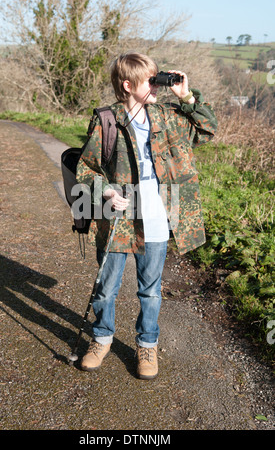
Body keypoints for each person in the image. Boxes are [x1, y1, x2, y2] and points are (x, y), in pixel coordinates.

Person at [75, 52, 217, 379]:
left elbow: (208, 129)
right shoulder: (107, 120)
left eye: (157, 78)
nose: (156, 85)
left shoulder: (168, 115)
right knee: (106, 287)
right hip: (119, 220)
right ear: (128, 85)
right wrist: (107, 190)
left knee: (150, 290)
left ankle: (147, 344)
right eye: (149, 80)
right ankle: (101, 339)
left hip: (157, 214)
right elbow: (85, 169)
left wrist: (188, 96)